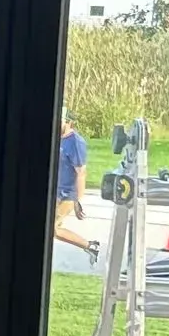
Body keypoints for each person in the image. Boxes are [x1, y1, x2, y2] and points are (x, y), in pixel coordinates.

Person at [54, 110, 97, 256]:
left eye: (59, 120)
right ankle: (90, 246)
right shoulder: (57, 137)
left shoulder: (76, 143)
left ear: (68, 122)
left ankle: (90, 246)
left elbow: (81, 173)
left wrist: (77, 200)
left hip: (66, 195)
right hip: (55, 191)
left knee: (52, 229)